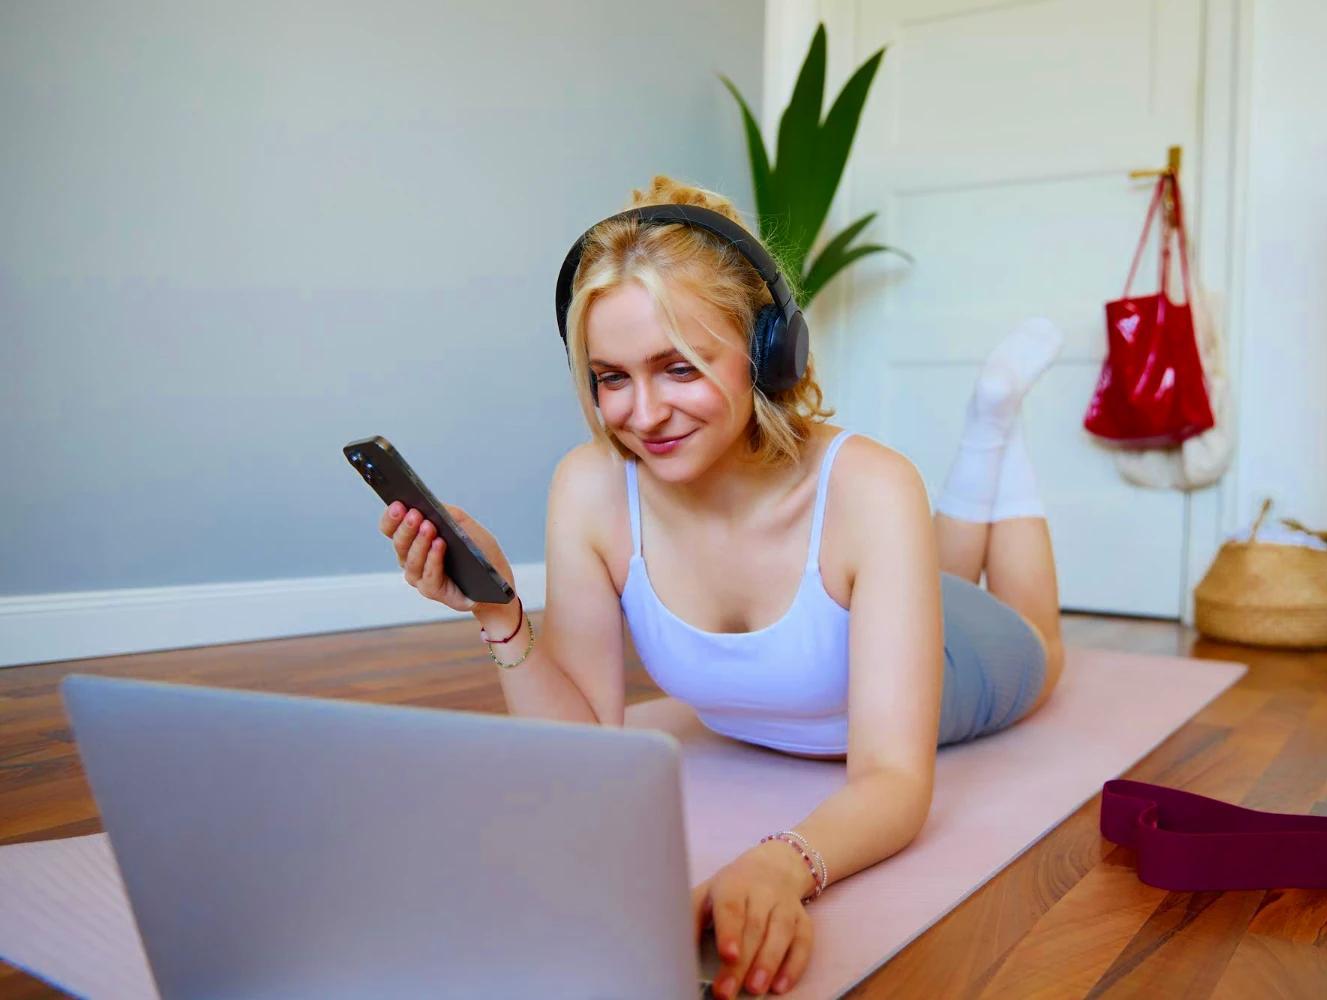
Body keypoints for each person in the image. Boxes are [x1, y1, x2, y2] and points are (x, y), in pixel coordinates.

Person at [377, 175, 1066, 999]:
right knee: (935, 571)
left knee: (1037, 634)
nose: (643, 415)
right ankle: (978, 459)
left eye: (678, 367)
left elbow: (895, 779)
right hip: (868, 598)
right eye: (612, 377)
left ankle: (995, 429)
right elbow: (586, 743)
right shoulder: (590, 487)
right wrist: (498, 613)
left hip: (967, 659)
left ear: (767, 352)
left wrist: (782, 864)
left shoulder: (872, 486)